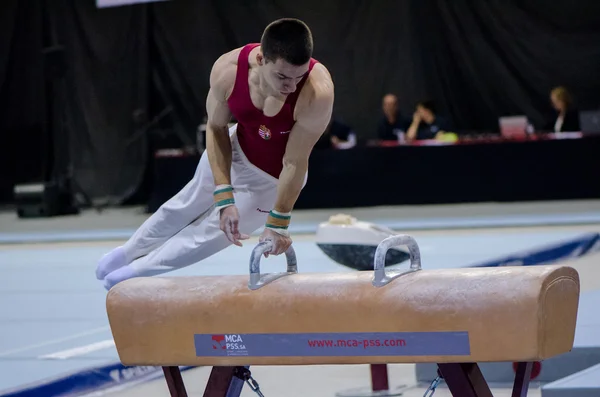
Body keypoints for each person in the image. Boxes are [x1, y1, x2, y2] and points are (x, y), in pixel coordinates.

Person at [95, 18, 334, 290]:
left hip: (272, 179)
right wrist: (224, 195)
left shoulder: (317, 93)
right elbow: (216, 126)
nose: (291, 86)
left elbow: (294, 160)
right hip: (233, 147)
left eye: (298, 77)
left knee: (213, 234)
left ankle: (135, 271)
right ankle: (125, 253)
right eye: (282, 76)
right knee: (183, 205)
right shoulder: (229, 70)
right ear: (261, 58)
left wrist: (278, 221)